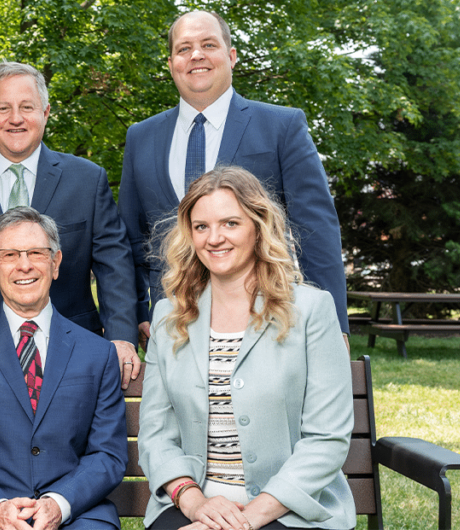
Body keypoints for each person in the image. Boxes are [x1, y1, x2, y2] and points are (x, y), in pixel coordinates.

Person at [118, 10, 349, 352]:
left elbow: (316, 229)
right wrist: (136, 312)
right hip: (171, 325)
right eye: (184, 49)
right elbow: (130, 238)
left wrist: (334, 324)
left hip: (266, 320)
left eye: (208, 44)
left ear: (231, 56)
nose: (196, 55)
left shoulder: (281, 127)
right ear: (171, 64)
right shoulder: (141, 136)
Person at [137, 166, 354, 530]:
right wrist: (195, 505)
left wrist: (244, 521)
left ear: (258, 227)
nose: (214, 238)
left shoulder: (310, 310)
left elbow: (327, 439)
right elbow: (156, 434)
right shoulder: (167, 317)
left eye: (230, 223)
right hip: (198, 502)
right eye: (201, 226)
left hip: (290, 508)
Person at [0, 61, 140, 387]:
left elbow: (114, 263)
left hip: (71, 355)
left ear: (46, 112)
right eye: (3, 108)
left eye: (27, 107)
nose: (16, 118)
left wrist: (120, 336)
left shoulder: (87, 180)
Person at [0, 207, 127, 530]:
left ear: (56, 263)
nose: (24, 265)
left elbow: (108, 454)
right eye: (9, 255)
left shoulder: (98, 353)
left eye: (36, 253)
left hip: (73, 515)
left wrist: (59, 504)